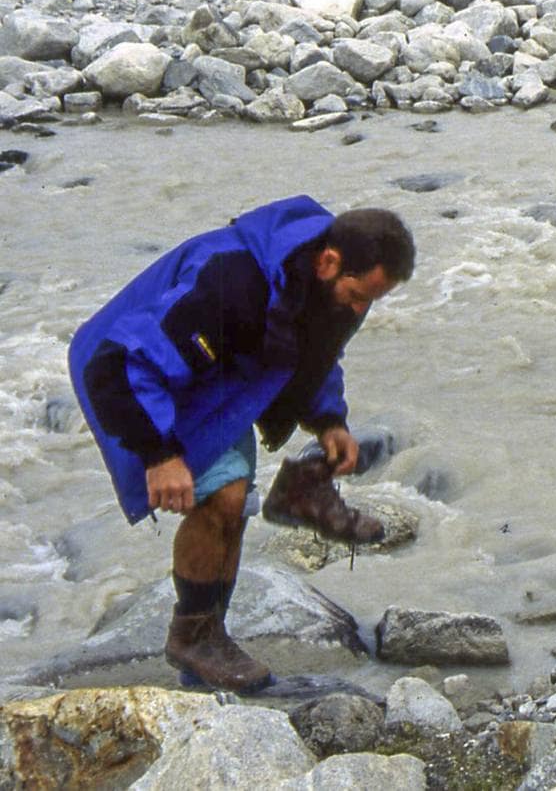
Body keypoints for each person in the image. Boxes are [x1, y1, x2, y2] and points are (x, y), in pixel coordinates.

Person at [68, 195, 416, 693]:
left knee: (233, 505)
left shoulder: (331, 289)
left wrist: (329, 422)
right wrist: (159, 455)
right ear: (329, 261)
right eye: (359, 294)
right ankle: (193, 638)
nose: (360, 309)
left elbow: (316, 353)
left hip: (217, 376)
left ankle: (208, 642)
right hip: (130, 374)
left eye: (372, 300)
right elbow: (117, 366)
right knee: (223, 497)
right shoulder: (229, 281)